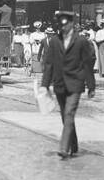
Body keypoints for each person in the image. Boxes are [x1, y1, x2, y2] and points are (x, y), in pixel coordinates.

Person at [40, 9, 96, 159]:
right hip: (59, 84)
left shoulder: (81, 41)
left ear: (72, 24)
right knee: (66, 117)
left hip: (75, 84)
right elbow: (49, 63)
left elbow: (87, 64)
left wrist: (91, 86)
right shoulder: (54, 41)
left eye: (65, 24)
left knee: (69, 113)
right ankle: (74, 144)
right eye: (60, 24)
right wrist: (44, 84)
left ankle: (63, 147)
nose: (62, 27)